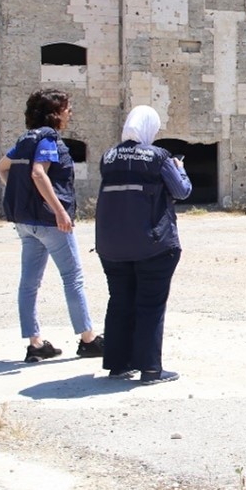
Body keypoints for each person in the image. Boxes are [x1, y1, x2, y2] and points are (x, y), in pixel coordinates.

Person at [0, 89, 103, 364]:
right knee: (72, 278)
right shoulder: (48, 139)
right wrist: (58, 211)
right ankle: (88, 340)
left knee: (29, 282)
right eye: (67, 108)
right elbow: (38, 172)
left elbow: (1, 168)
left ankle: (35, 344)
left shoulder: (24, 140)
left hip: (25, 223)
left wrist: (24, 199)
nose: (70, 112)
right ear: (55, 113)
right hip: (49, 223)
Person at [95, 105, 192, 385]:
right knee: (150, 304)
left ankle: (117, 364)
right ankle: (151, 369)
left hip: (111, 245)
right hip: (153, 244)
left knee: (120, 301)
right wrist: (180, 169)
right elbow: (181, 191)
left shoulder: (109, 156)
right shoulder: (157, 156)